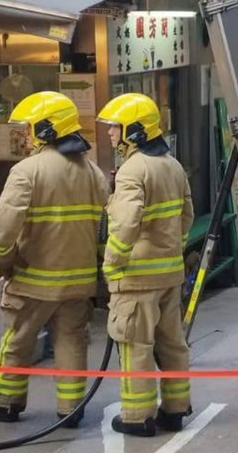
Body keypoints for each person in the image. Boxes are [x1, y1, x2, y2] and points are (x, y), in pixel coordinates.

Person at [0, 92, 108, 427]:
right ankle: (70, 410)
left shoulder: (27, 171)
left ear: (46, 129)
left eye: (31, 127)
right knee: (72, 342)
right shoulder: (93, 173)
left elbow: (4, 227)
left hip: (32, 282)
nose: (26, 133)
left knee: (17, 341)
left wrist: (3, 262)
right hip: (78, 282)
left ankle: (6, 404)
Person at [96, 93, 193, 437]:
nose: (110, 134)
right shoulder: (172, 165)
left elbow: (125, 223)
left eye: (115, 128)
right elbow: (186, 215)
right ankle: (176, 409)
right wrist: (171, 252)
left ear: (134, 132)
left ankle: (138, 417)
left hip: (136, 279)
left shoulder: (132, 171)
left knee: (135, 346)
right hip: (169, 275)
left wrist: (112, 263)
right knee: (172, 344)